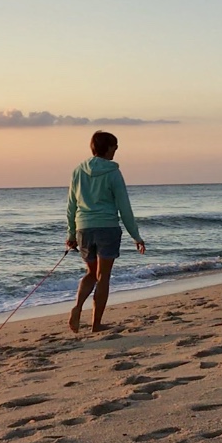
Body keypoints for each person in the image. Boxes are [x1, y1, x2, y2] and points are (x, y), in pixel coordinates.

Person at [65, 130, 146, 333]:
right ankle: (96, 324)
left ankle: (77, 307)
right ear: (107, 148)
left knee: (91, 273)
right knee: (103, 277)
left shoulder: (78, 171)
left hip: (84, 227)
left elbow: (71, 205)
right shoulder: (113, 172)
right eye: (115, 147)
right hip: (107, 227)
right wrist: (136, 236)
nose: (116, 150)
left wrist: (71, 234)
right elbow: (124, 207)